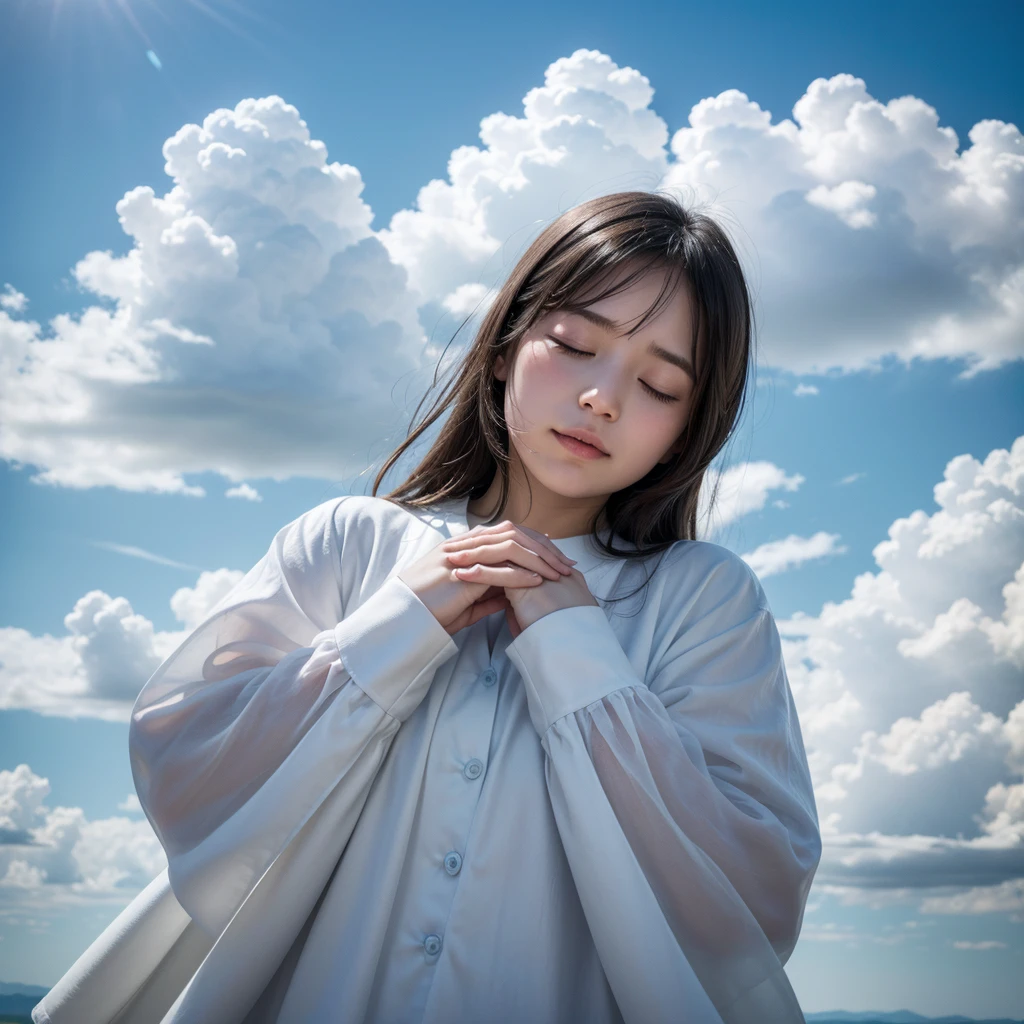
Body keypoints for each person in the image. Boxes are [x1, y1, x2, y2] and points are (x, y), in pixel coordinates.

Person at [32, 191, 821, 1024]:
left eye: (661, 384)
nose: (603, 398)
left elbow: (756, 892)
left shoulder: (703, 599)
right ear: (506, 345)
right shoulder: (350, 544)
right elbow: (187, 766)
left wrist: (576, 651)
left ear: (692, 426)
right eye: (575, 344)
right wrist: (397, 622)